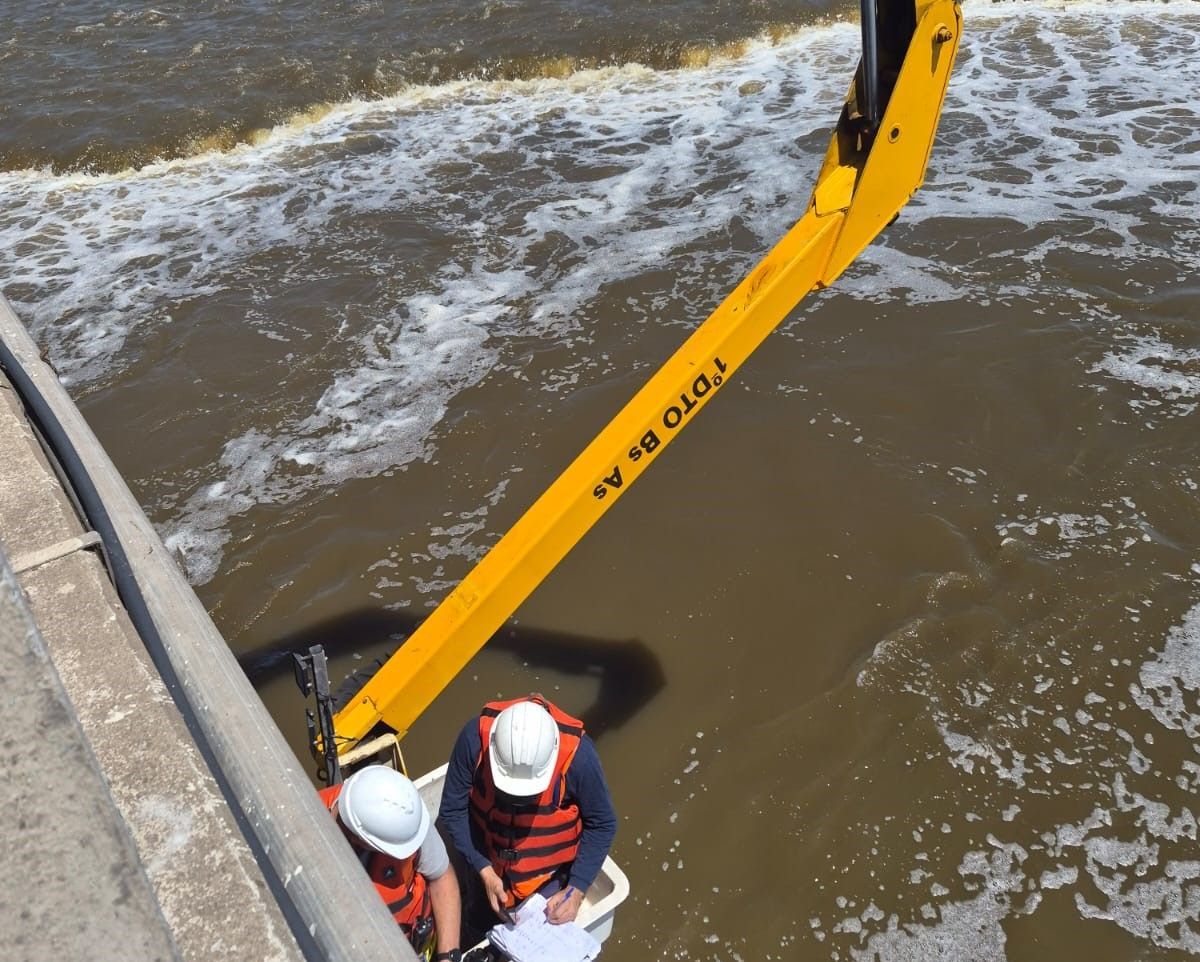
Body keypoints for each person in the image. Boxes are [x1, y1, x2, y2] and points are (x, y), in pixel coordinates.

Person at [439, 694, 617, 933]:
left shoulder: (579, 758)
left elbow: (603, 824)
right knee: (476, 926)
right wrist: (484, 869)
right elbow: (452, 810)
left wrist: (576, 889)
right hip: (485, 867)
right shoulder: (474, 739)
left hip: (549, 882)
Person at [320, 765, 462, 962]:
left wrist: (448, 955)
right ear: (360, 840)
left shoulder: (403, 817)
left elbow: (442, 877)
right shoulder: (311, 848)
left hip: (418, 945)